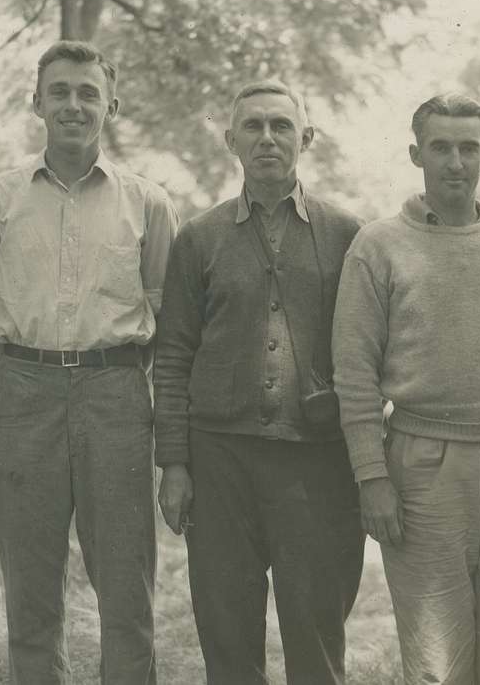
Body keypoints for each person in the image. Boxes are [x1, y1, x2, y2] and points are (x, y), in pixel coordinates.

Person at [332, 93, 480, 684]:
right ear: (417, 154)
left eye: (468, 148)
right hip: (421, 467)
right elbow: (354, 373)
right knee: (439, 666)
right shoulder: (378, 245)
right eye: (441, 147)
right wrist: (371, 477)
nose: (455, 162)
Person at [0, 40, 179, 684]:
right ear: (36, 102)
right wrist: (38, 360)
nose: (73, 104)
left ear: (111, 105)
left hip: (116, 393)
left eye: (88, 93)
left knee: (124, 582)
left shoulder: (149, 202)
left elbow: (165, 316)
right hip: (24, 390)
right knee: (29, 581)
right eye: (59, 91)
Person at [153, 80, 364, 684]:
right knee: (225, 630)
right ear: (230, 141)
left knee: (317, 627)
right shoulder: (199, 237)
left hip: (317, 462)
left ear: (307, 138)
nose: (267, 138)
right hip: (220, 460)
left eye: (281, 125)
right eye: (253, 127)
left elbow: (367, 355)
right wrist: (175, 464)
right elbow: (172, 357)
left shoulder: (349, 235)